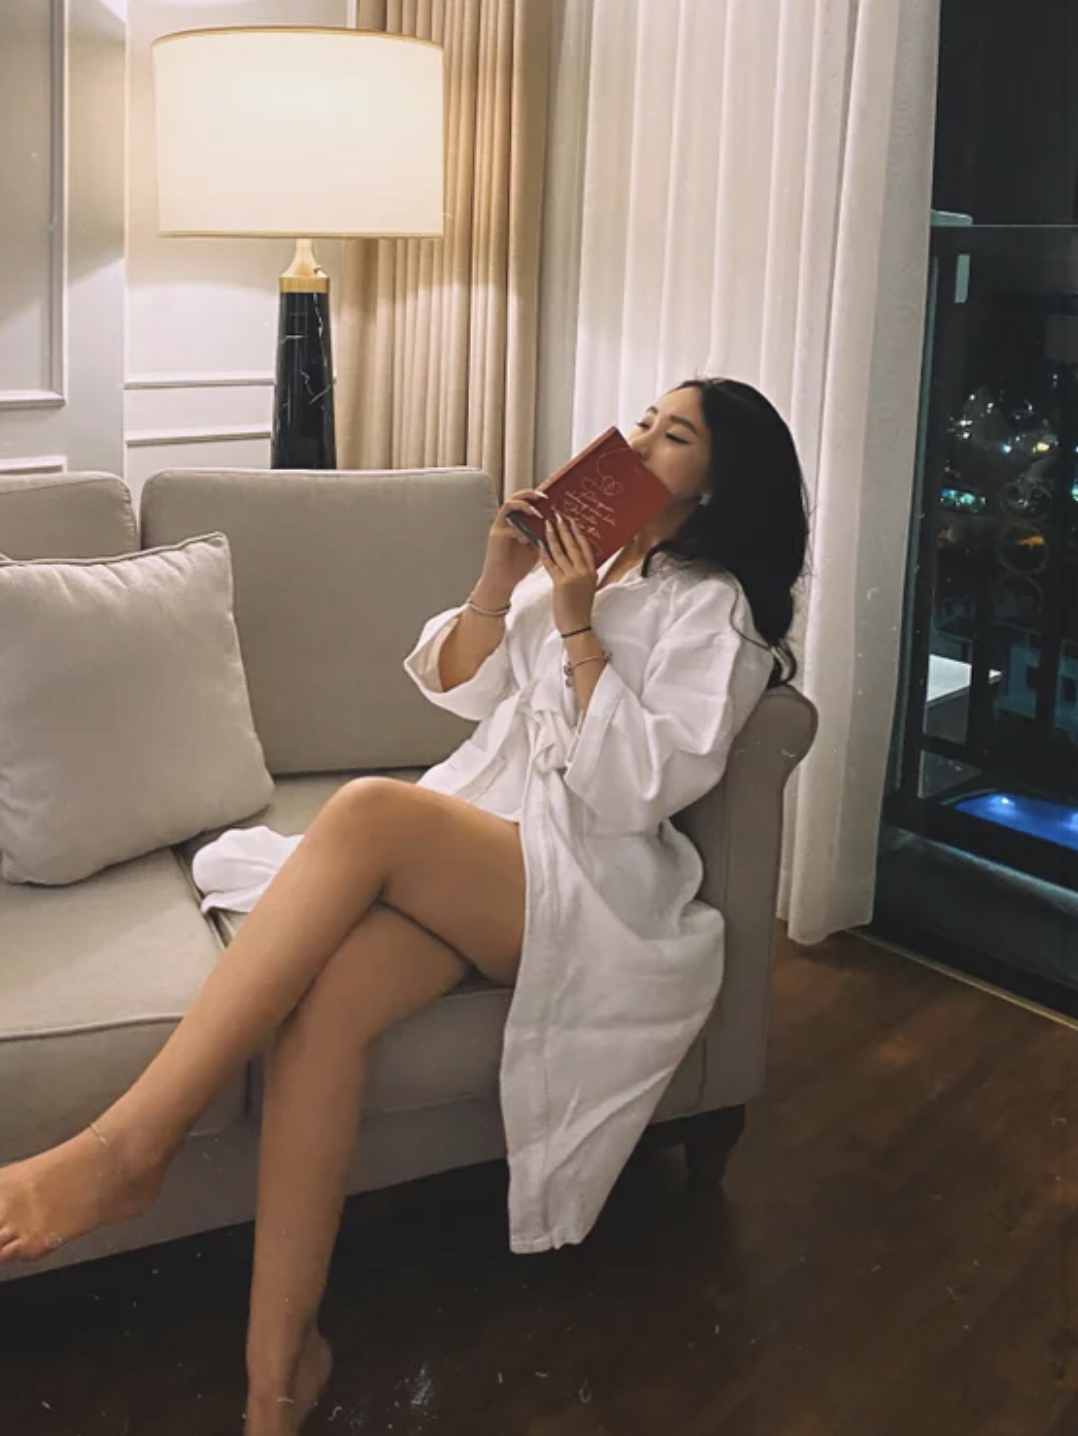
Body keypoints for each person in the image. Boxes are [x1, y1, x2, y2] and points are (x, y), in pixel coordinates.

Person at [0, 377, 808, 1434]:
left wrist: (577, 627)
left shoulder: (718, 612)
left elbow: (635, 788)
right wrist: (503, 576)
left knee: (370, 810)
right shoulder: (593, 565)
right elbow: (459, 685)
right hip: (486, 845)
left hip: (586, 877)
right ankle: (279, 1373)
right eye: (645, 422)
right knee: (324, 1013)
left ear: (717, 482)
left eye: (676, 436)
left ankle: (128, 1148)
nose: (641, 440)